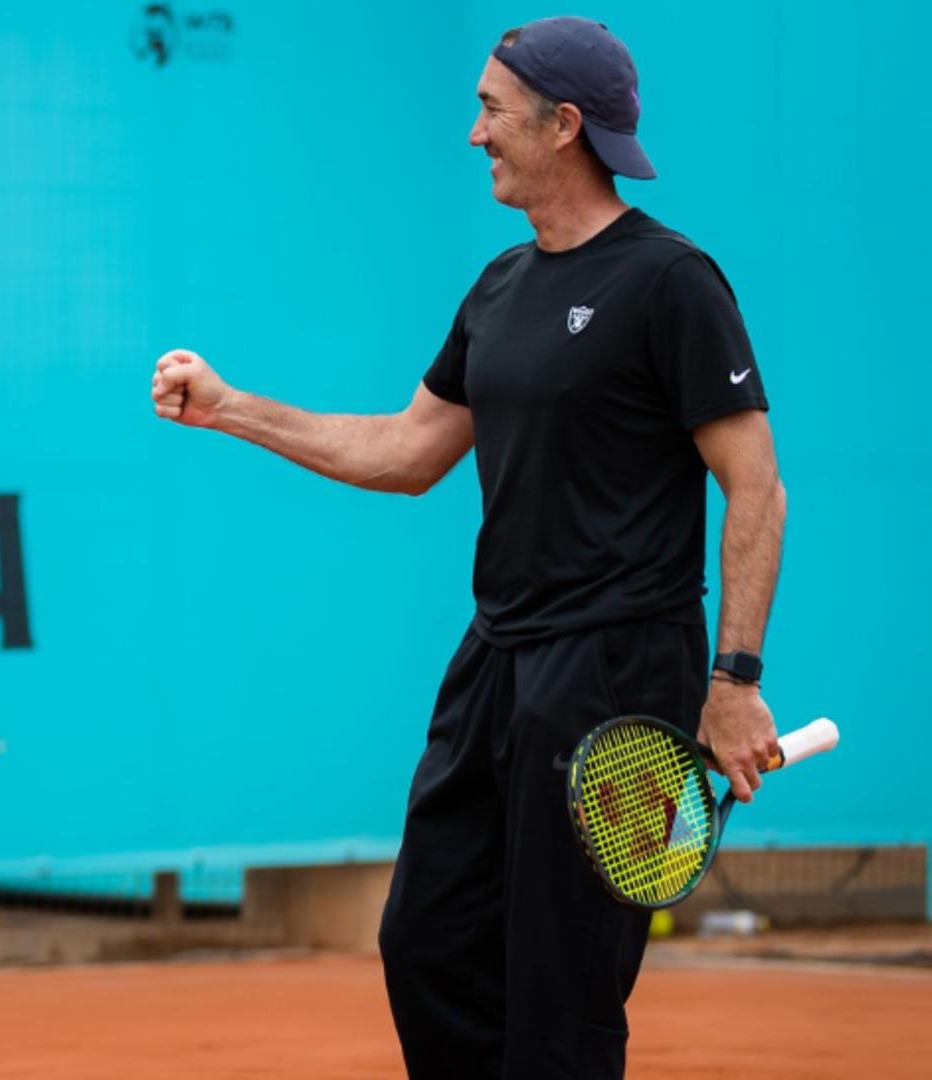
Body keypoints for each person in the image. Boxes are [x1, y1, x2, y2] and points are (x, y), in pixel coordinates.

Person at [150, 17, 785, 1078]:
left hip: (618, 669)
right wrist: (227, 409)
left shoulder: (673, 283)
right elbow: (407, 450)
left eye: (492, 109)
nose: (474, 133)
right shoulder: (499, 287)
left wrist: (734, 680)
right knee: (428, 946)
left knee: (560, 991)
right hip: (496, 663)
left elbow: (754, 485)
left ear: (565, 125)